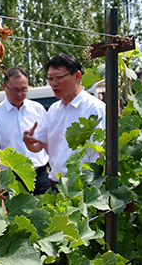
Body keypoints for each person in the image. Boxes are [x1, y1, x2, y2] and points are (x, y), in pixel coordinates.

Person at [23, 53, 106, 184]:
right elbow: (38, 145)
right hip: (56, 184)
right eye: (50, 79)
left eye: (59, 78)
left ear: (77, 76)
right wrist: (28, 141)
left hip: (84, 184)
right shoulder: (53, 110)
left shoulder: (96, 109)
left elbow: (103, 151)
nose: (54, 84)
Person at [0, 67, 52, 195]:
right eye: (14, 90)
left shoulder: (38, 109)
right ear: (4, 87)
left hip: (40, 175)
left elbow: (48, 141)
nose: (19, 94)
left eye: (23, 90)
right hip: (11, 179)